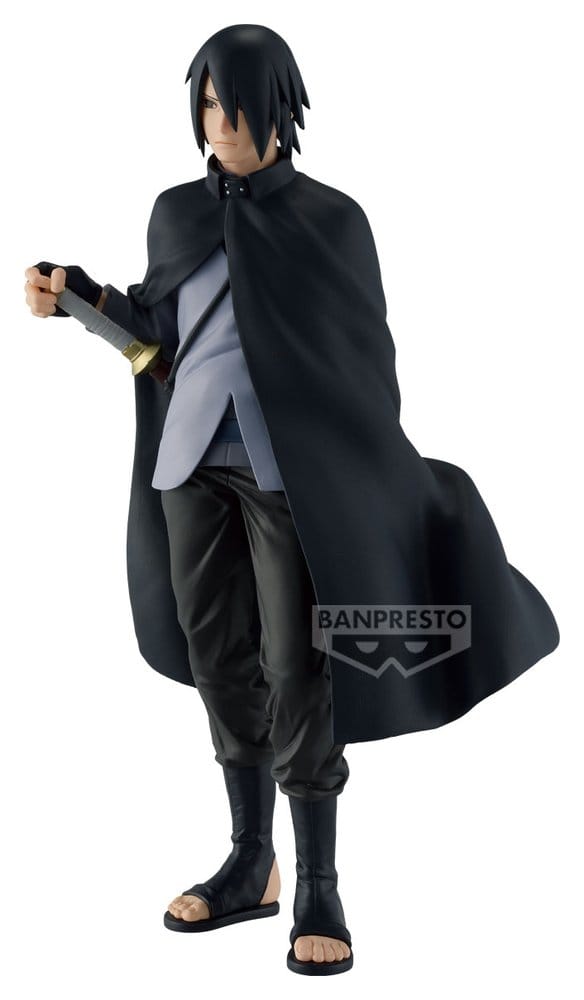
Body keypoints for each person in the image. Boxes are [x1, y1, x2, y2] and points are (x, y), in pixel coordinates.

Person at [24, 23, 559, 978]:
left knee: (296, 664)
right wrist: (78, 296)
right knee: (218, 658)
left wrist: (363, 467)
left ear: (277, 109)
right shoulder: (175, 212)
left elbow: (361, 360)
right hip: (191, 464)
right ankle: (250, 861)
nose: (218, 123)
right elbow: (154, 335)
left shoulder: (333, 220)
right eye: (205, 104)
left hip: (288, 473)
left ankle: (319, 884)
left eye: (233, 105)